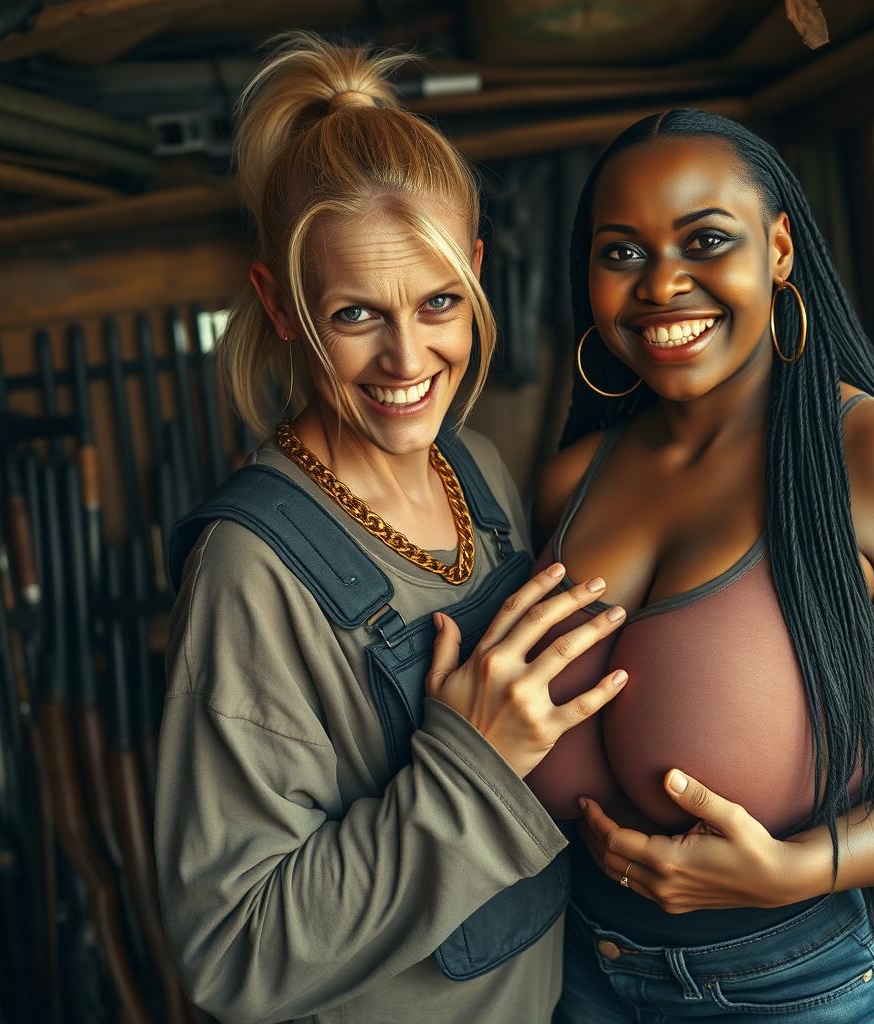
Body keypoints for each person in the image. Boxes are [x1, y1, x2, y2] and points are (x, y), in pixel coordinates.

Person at [154, 33, 630, 1024]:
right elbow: (230, 949)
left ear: (479, 276)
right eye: (355, 314)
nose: (406, 357)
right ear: (280, 307)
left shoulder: (478, 472)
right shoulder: (250, 571)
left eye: (439, 301)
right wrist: (473, 765)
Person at [525, 108, 874, 1022]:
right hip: (574, 976)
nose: (661, 284)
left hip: (798, 989)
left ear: (780, 249)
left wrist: (802, 866)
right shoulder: (571, 478)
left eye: (705, 240)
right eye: (621, 252)